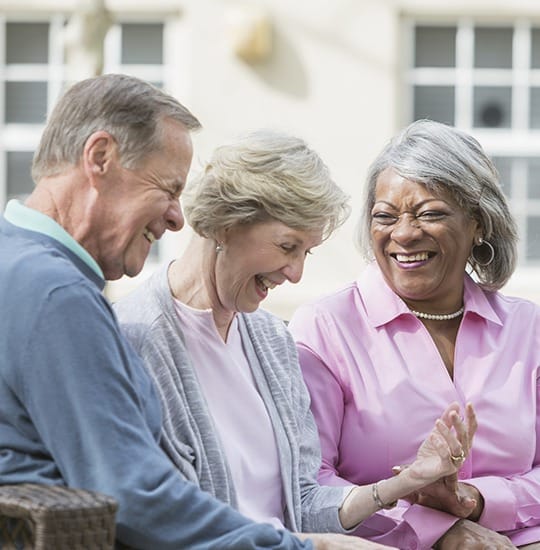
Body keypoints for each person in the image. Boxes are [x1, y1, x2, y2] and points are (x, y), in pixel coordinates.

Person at [0, 73, 333, 550]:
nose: (180, 216)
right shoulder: (59, 296)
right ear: (100, 158)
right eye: (168, 188)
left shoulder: (15, 262)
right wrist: (306, 548)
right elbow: (135, 497)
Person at [113, 129, 476, 548]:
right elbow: (168, 523)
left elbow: (304, 503)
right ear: (226, 224)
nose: (295, 273)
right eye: (288, 246)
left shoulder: (271, 339)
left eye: (307, 253)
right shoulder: (133, 338)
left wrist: (406, 482)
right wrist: (314, 546)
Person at [288, 119, 540, 550]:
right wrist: (437, 530)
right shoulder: (325, 328)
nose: (404, 233)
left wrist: (477, 501)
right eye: (385, 216)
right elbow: (311, 486)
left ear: (478, 222)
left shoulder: (528, 328)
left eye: (430, 214)